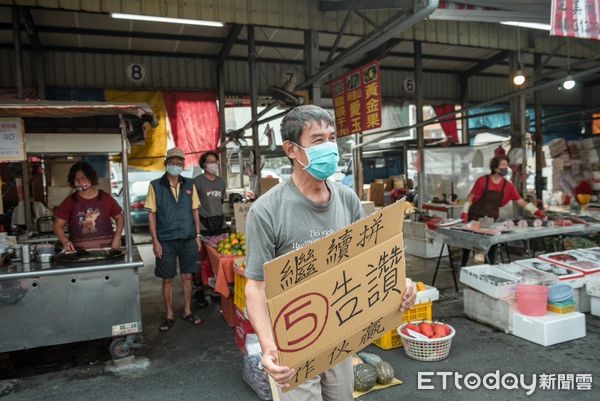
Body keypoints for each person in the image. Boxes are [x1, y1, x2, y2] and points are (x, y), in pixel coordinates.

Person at [244, 105, 417, 400]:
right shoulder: (266, 210)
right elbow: (256, 287)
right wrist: (270, 346)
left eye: (332, 137)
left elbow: (369, 260)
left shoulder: (347, 199)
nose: (330, 147)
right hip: (294, 338)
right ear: (292, 150)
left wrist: (402, 282)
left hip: (339, 331)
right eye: (318, 140)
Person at [146, 147, 203, 332]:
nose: (176, 166)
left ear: (183, 165)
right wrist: (155, 241)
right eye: (173, 163)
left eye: (179, 163)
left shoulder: (189, 184)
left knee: (188, 276)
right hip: (166, 240)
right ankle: (169, 314)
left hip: (187, 238)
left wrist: (198, 235)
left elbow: (195, 211)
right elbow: (151, 215)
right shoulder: (155, 186)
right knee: (168, 278)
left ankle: (187, 311)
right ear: (166, 164)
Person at [460, 155, 544, 266]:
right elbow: (471, 197)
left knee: (491, 246)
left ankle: (489, 268)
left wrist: (536, 211)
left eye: (506, 165)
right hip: (475, 218)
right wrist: (465, 211)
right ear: (495, 168)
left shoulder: (508, 186)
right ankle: (463, 266)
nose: (506, 168)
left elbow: (520, 201)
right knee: (468, 245)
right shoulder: (483, 181)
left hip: (490, 221)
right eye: (503, 165)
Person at [53, 162, 124, 251]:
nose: (81, 182)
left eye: (83, 178)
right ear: (73, 182)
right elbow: (57, 225)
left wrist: (117, 238)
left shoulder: (105, 197)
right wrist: (65, 241)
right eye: (77, 179)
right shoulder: (70, 201)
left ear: (91, 178)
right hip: (80, 253)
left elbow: (120, 218)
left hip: (107, 250)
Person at [194, 151, 227, 236]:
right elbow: (193, 205)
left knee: (222, 248)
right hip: (204, 225)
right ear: (204, 165)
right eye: (211, 162)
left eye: (215, 162)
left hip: (220, 224)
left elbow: (221, 201)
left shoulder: (221, 182)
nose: (214, 164)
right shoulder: (197, 182)